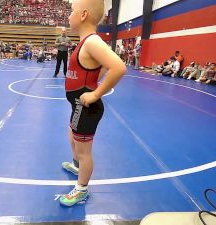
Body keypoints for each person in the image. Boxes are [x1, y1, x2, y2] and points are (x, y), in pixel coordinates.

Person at [59, 0, 126, 207]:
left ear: (83, 15)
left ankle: (81, 190)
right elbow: (100, 67)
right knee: (72, 134)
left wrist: (96, 94)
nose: (68, 16)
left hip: (86, 107)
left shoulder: (91, 42)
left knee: (84, 150)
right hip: (78, 105)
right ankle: (77, 165)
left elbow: (118, 67)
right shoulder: (86, 42)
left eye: (71, 12)